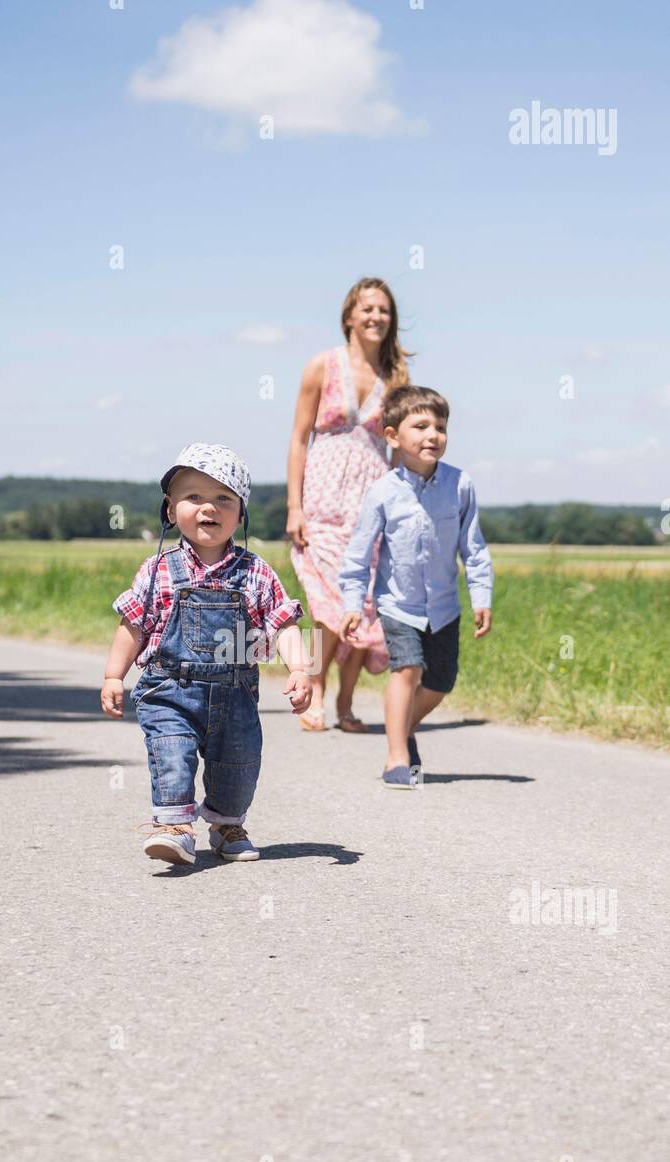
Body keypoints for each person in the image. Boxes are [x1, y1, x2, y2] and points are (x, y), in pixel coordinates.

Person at [100, 443, 312, 864]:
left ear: (240, 513)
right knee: (172, 750)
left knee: (238, 764)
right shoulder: (157, 569)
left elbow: (282, 622)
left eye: (223, 499)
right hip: (169, 689)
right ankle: (174, 827)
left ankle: (227, 824)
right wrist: (113, 675)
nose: (208, 508)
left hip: (235, 695)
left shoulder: (255, 571)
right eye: (193, 497)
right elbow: (132, 625)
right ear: (169, 510)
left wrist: (302, 667)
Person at [338, 387, 493, 788]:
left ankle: (401, 728)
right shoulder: (383, 491)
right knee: (406, 669)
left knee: (440, 682)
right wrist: (353, 604)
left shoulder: (460, 485)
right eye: (420, 425)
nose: (432, 435)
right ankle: (396, 757)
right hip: (398, 604)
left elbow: (473, 549)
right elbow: (358, 554)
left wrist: (482, 596)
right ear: (393, 436)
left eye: (440, 427)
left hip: (444, 605)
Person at [285, 276, 414, 732]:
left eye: (384, 310)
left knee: (364, 605)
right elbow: (300, 439)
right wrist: (294, 507)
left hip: (372, 498)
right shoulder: (322, 365)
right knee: (325, 607)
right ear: (349, 317)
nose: (376, 316)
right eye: (368, 308)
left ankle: (345, 701)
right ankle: (315, 691)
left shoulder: (397, 378)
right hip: (322, 496)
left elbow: (401, 450)